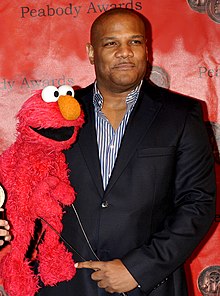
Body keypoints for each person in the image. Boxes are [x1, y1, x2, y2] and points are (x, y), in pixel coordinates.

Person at [37, 8, 216, 296]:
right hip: (65, 284)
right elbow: (33, 192)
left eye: (135, 42)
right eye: (111, 43)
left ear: (147, 49)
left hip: (150, 285)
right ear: (91, 52)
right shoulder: (55, 115)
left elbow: (198, 203)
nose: (125, 52)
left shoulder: (181, 115)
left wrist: (138, 268)